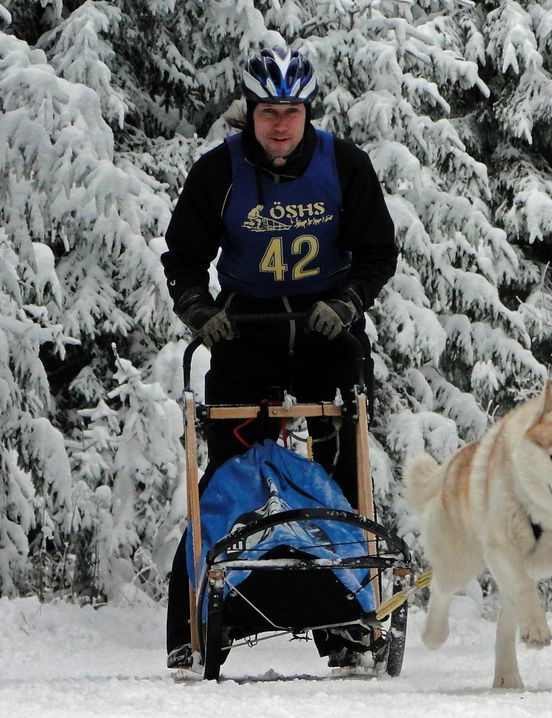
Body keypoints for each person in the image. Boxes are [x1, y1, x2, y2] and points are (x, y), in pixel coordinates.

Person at [161, 45, 398, 670]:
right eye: (268, 111)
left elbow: (378, 252)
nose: (280, 125)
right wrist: (199, 311)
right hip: (249, 331)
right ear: (250, 112)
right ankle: (204, 610)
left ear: (307, 111)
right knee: (235, 469)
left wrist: (349, 303)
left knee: (340, 466)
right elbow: (182, 256)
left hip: (327, 331)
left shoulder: (346, 166)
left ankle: (348, 616)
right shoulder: (219, 172)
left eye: (291, 111)